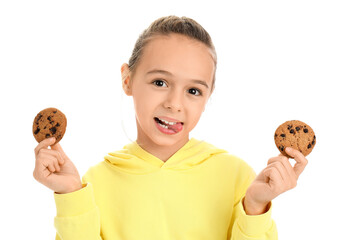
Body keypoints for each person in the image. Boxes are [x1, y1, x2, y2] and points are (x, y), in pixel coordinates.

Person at [33, 15, 308, 240]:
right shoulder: (94, 184)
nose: (175, 104)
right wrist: (70, 195)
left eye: (193, 90)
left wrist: (256, 206)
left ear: (208, 97)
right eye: (160, 83)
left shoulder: (238, 177)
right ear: (127, 80)